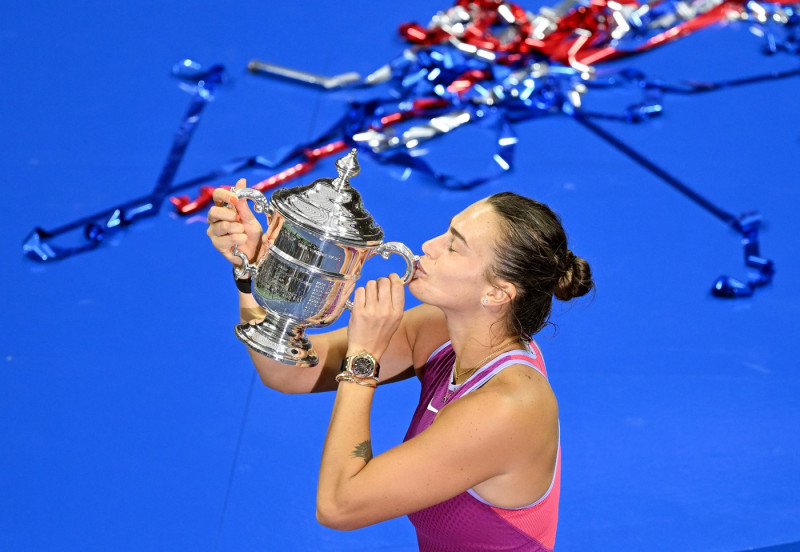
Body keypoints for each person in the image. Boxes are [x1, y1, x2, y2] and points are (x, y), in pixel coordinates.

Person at [207, 178, 594, 552]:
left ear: (496, 293)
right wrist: (259, 269)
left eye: (454, 248)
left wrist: (365, 357)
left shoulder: (507, 408)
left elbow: (338, 506)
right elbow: (287, 371)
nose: (429, 245)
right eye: (446, 232)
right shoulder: (440, 331)